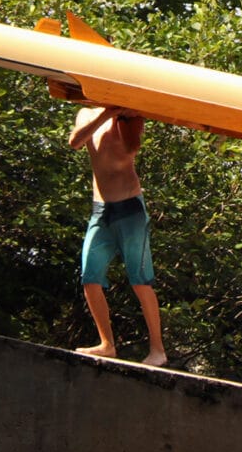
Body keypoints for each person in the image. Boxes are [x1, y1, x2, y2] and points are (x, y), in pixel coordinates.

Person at [67, 105, 167, 367]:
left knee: (140, 281)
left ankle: (158, 349)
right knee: (90, 276)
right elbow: (75, 142)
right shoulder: (87, 114)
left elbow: (130, 150)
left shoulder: (132, 115)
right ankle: (107, 344)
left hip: (130, 207)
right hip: (100, 210)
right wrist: (105, 114)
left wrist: (120, 118)